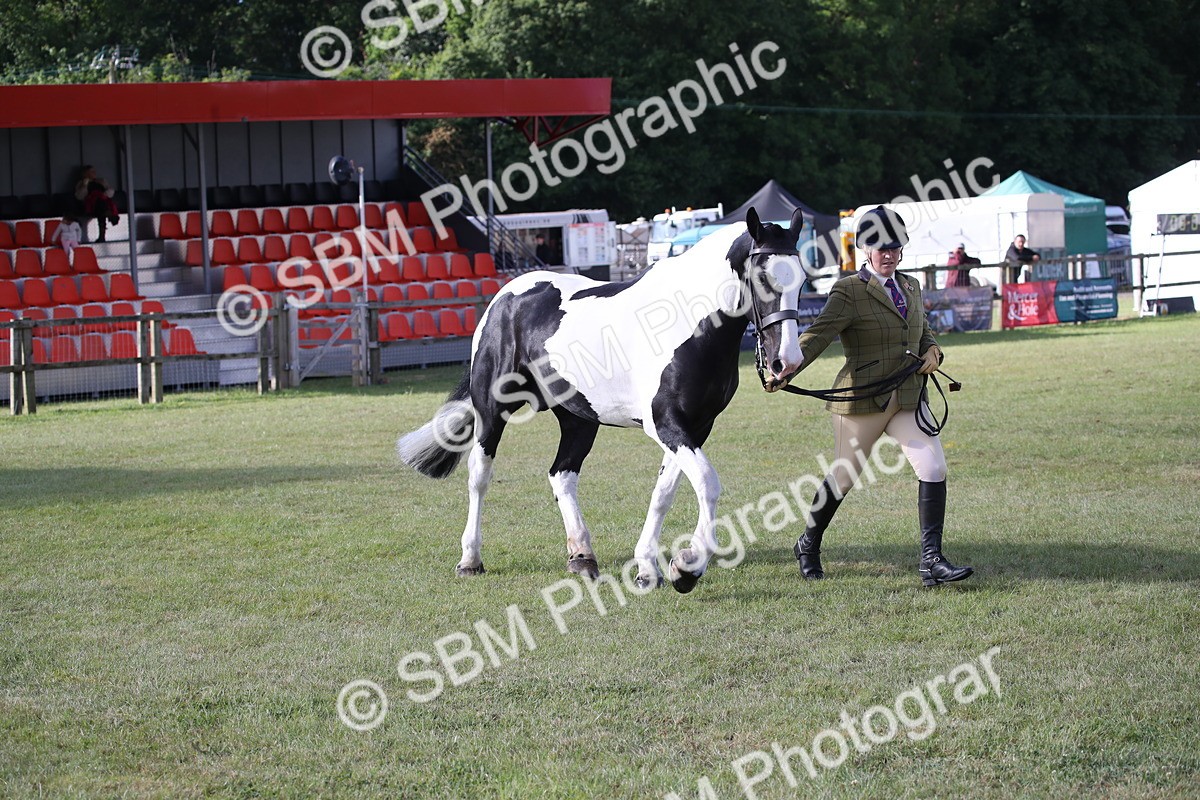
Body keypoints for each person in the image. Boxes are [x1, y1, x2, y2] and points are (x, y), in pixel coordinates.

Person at [787, 206, 973, 588]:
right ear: (864, 249)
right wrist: (785, 367)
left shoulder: (911, 287)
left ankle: (931, 561)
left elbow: (923, 330)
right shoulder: (848, 291)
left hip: (907, 396)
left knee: (933, 468)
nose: (888, 255)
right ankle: (808, 544)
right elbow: (818, 336)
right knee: (844, 476)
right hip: (862, 399)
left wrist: (934, 352)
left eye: (894, 247)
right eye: (879, 248)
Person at [74, 165, 120, 242]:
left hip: (102, 203)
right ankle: (109, 215)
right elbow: (79, 196)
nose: (94, 173)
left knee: (101, 205)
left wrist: (105, 190)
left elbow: (110, 193)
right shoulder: (81, 183)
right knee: (100, 205)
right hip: (90, 204)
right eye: (91, 172)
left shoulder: (101, 181)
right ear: (86, 173)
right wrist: (85, 185)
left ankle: (102, 235)